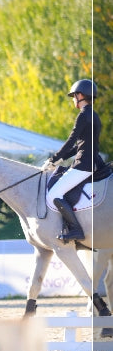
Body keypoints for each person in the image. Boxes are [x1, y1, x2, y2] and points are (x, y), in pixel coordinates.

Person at [43, 79, 103, 242]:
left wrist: (53, 159)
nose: (73, 99)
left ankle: (76, 229)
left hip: (83, 165)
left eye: (74, 96)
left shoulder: (83, 116)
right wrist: (58, 160)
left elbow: (71, 141)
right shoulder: (94, 116)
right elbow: (79, 146)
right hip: (93, 162)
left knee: (54, 194)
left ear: (80, 95)